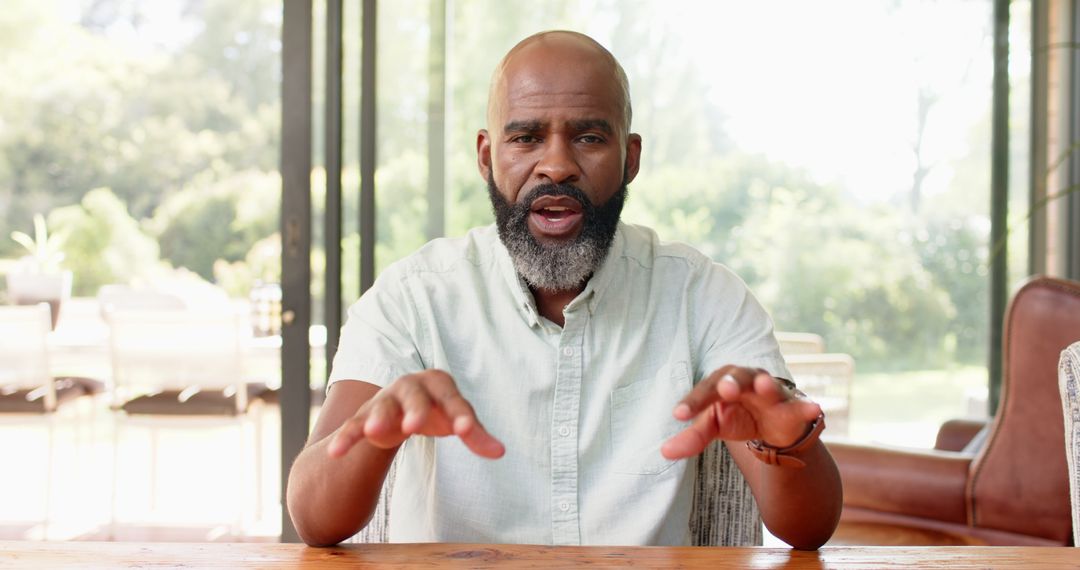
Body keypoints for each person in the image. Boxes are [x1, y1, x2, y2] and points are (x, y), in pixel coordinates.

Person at [286, 30, 842, 549]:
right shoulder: (414, 297)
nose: (556, 166)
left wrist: (786, 440)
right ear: (487, 157)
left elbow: (808, 529)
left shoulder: (703, 295)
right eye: (526, 137)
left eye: (589, 137)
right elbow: (314, 519)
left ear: (630, 158)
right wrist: (374, 432)